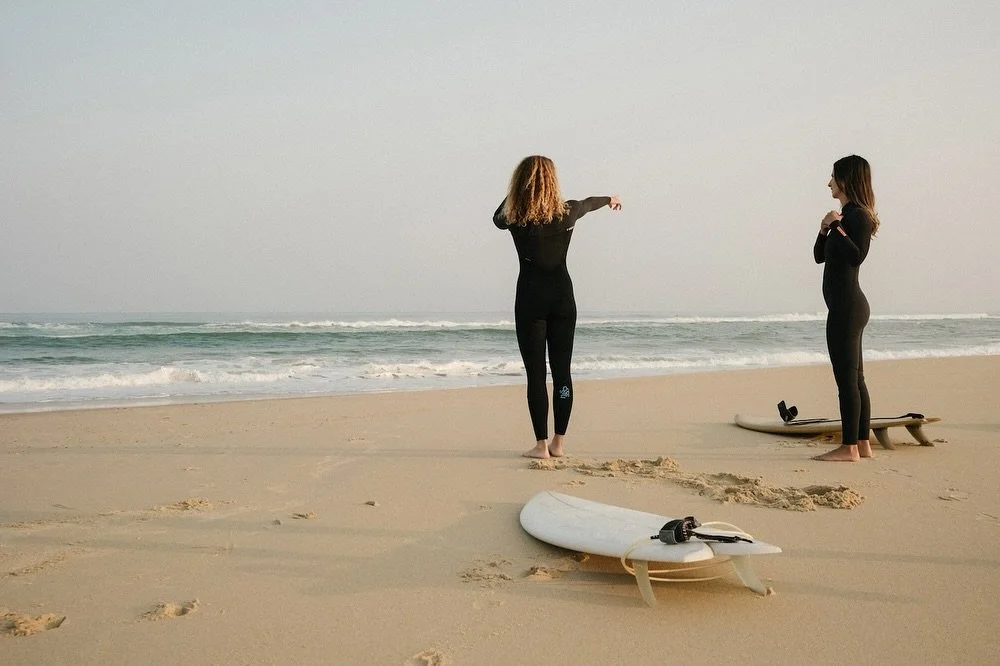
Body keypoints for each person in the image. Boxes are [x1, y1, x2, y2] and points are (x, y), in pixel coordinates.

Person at [493, 155, 622, 458]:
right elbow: (590, 202)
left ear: (519, 182)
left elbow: (496, 218)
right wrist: (611, 199)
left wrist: (518, 190)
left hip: (530, 301)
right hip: (563, 299)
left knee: (536, 376)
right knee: (562, 374)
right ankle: (559, 443)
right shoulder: (569, 211)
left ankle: (540, 446)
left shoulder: (514, 217)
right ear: (554, 181)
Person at [812, 155, 879, 462]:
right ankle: (862, 444)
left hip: (848, 308)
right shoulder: (845, 216)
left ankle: (849, 447)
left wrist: (837, 226)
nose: (828, 182)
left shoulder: (859, 217)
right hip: (844, 307)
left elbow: (857, 256)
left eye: (833, 177)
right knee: (855, 378)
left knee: (846, 380)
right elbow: (818, 256)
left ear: (846, 180)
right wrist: (825, 228)